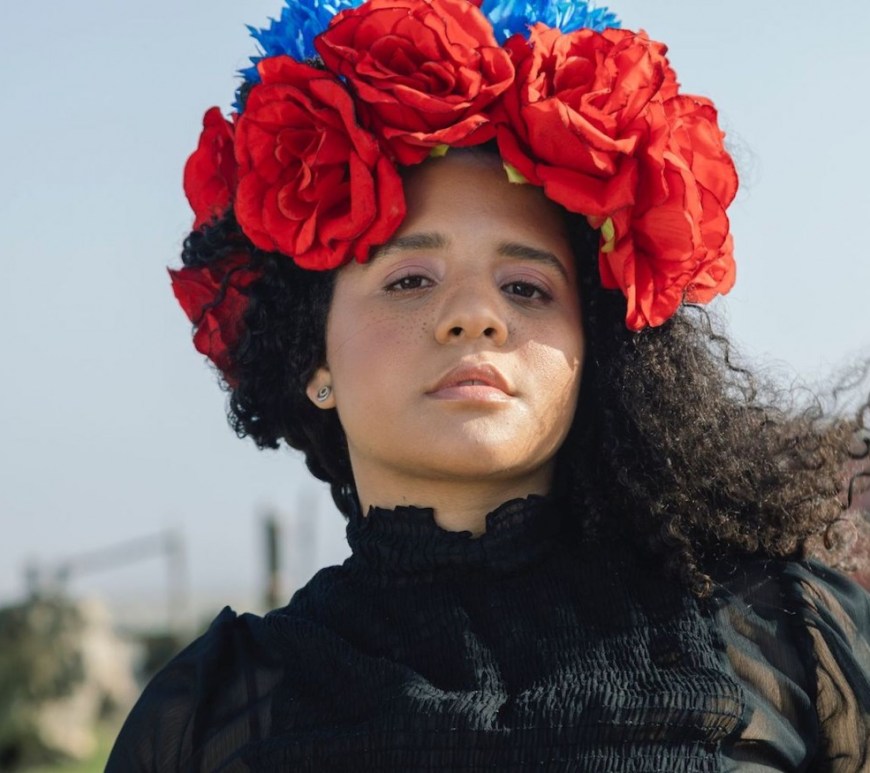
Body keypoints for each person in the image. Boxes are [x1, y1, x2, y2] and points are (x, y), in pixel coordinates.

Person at [107, 0, 870, 769]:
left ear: (595, 347)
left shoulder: (790, 648)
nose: (474, 316)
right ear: (313, 358)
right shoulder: (206, 720)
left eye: (528, 287)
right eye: (409, 278)